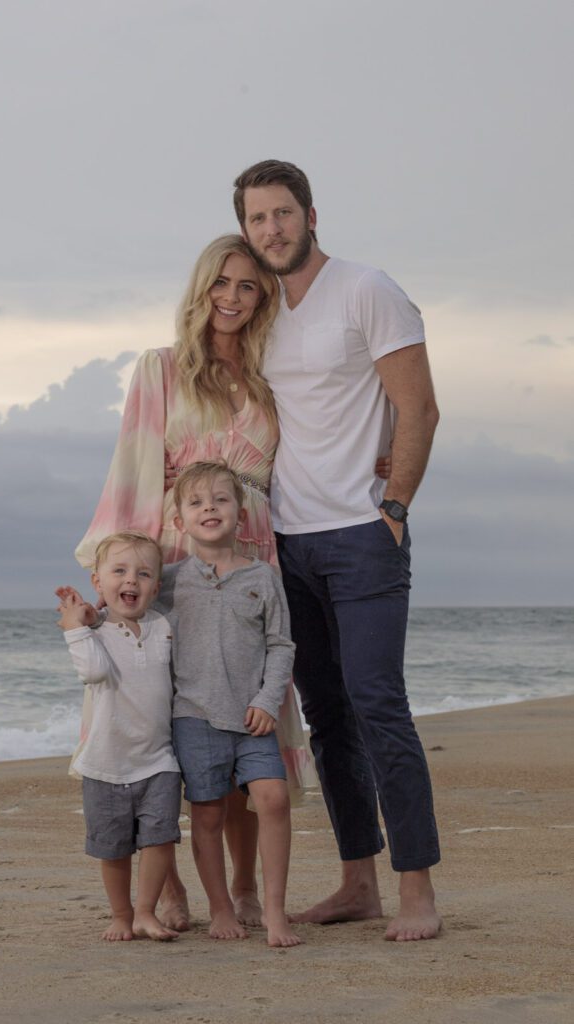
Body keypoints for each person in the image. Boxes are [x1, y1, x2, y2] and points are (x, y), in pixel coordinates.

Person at [74, 234, 314, 931]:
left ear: (263, 295)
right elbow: (133, 470)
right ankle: (169, 882)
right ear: (201, 287)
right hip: (176, 558)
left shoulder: (274, 376)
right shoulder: (161, 369)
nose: (232, 298)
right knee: (162, 721)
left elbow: (309, 453)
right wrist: (119, 575)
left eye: (247, 286)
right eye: (222, 283)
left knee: (243, 711)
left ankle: (243, 886)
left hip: (253, 557)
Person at [232, 159, 442, 942]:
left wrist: (394, 505)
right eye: (257, 219)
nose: (271, 230)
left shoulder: (366, 289)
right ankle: (358, 880)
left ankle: (416, 891)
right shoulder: (264, 314)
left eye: (282, 214)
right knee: (325, 716)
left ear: (310, 216)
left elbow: (417, 406)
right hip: (288, 539)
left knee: (378, 703)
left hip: (362, 535)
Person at [163, 460, 301, 947]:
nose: (209, 508)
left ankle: (276, 910)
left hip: (252, 718)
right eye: (197, 502)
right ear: (179, 521)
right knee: (206, 814)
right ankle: (221, 909)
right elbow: (126, 606)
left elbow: (281, 644)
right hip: (194, 717)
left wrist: (268, 700)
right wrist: (90, 613)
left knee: (274, 799)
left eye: (220, 499)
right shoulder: (169, 580)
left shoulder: (262, 577)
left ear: (241, 515)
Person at [57, 531, 181, 942]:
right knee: (114, 849)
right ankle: (121, 914)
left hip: (158, 759)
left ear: (156, 587)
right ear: (98, 582)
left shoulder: (163, 626)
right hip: (106, 764)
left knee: (160, 840)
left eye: (143, 574)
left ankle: (146, 911)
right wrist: (76, 627)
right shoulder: (94, 634)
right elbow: (93, 672)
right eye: (120, 571)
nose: (131, 580)